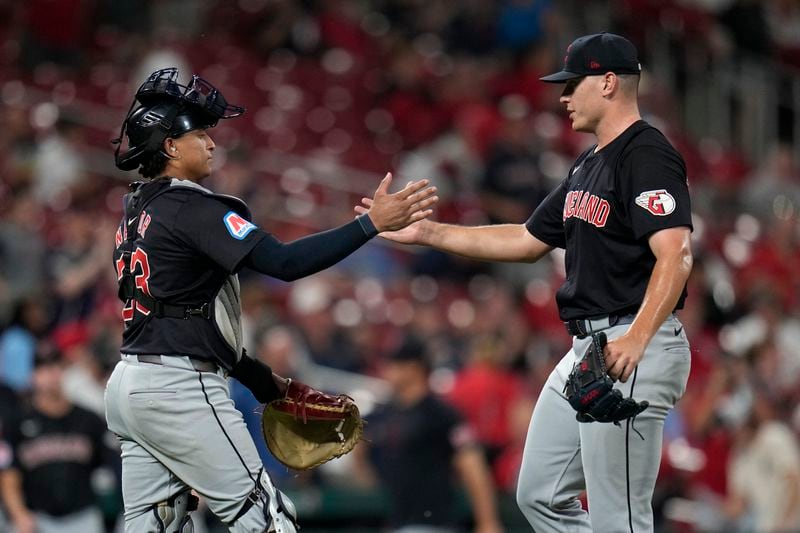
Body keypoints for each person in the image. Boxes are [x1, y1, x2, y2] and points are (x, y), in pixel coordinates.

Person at [357, 33, 693, 532]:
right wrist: (429, 231)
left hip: (632, 342)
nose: (562, 96)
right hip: (589, 346)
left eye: (572, 83)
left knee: (617, 517)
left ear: (607, 83)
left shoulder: (645, 153)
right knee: (539, 494)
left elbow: (677, 254)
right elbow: (526, 237)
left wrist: (637, 337)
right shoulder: (588, 163)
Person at [103, 67, 438, 533]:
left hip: (130, 386)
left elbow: (184, 318)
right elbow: (283, 263)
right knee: (267, 517)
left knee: (153, 526)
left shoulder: (138, 213)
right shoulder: (191, 207)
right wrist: (371, 224)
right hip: (178, 387)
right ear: (170, 146)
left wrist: (265, 382)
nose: (212, 143)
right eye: (199, 133)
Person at [358, 336, 503, 533]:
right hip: (395, 522)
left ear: (414, 368)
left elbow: (473, 467)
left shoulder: (442, 415)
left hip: (435, 523)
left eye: (395, 364)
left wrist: (487, 522)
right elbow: (357, 449)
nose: (387, 370)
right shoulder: (384, 413)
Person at [0, 346, 114, 533]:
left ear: (64, 371)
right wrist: (19, 514)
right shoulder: (18, 421)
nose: (50, 375)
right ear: (33, 376)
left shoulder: (89, 419)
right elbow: (8, 475)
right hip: (38, 519)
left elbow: (110, 466)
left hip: (83, 517)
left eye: (55, 367)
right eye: (43, 369)